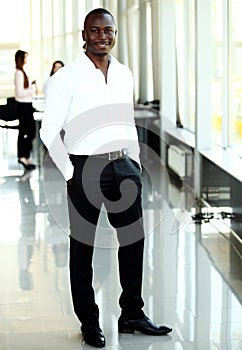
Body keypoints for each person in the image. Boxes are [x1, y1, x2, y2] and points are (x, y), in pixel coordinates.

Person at [40, 8, 172, 348]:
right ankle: (89, 321)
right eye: (95, 30)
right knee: (83, 248)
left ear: (115, 34)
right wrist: (70, 171)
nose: (102, 36)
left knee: (133, 243)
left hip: (124, 168)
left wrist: (135, 161)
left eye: (108, 30)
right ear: (83, 34)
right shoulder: (66, 78)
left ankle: (132, 314)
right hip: (85, 169)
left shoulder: (125, 73)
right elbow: (49, 130)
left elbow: (125, 119)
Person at [14, 50, 36, 170]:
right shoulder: (18, 73)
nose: (27, 59)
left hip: (27, 105)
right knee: (25, 132)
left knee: (29, 132)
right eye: (26, 57)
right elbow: (20, 93)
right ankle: (23, 157)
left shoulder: (22, 72)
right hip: (23, 106)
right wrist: (32, 88)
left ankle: (26, 156)